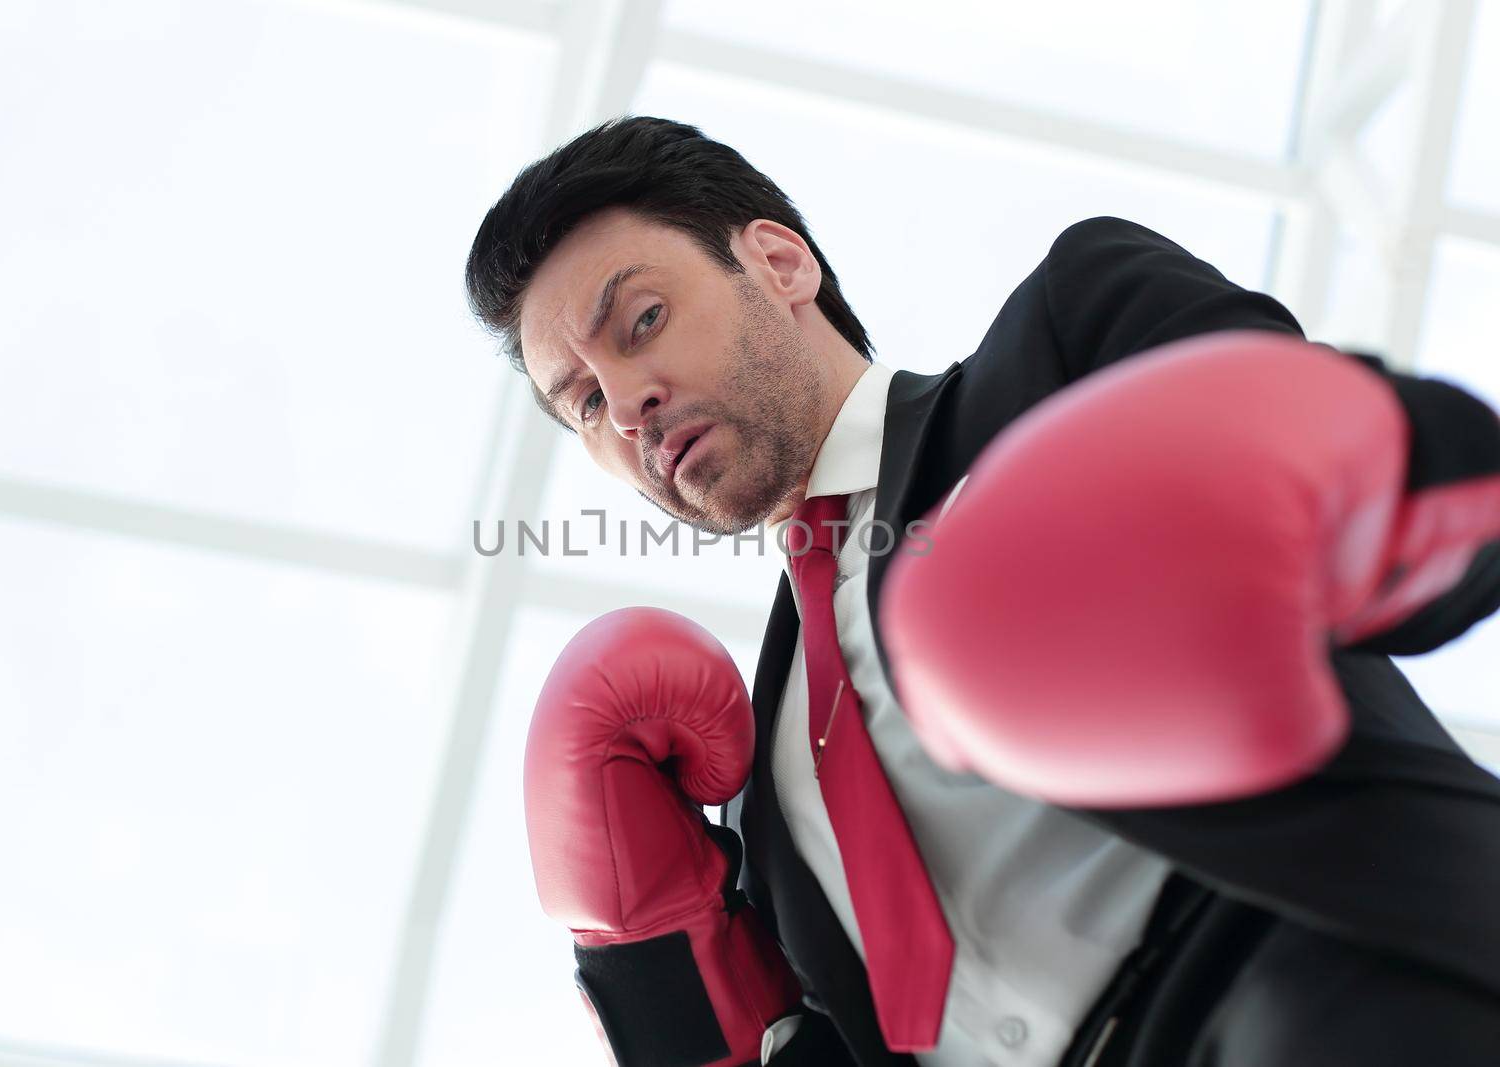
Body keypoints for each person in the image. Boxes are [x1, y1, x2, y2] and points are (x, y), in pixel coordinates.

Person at [466, 116, 1500, 1065]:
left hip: (1331, 987)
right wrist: (646, 961)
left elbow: (1400, 479)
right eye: (583, 403)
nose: (628, 404)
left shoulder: (1061, 342)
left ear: (778, 263)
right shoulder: (761, 806)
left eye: (642, 319)